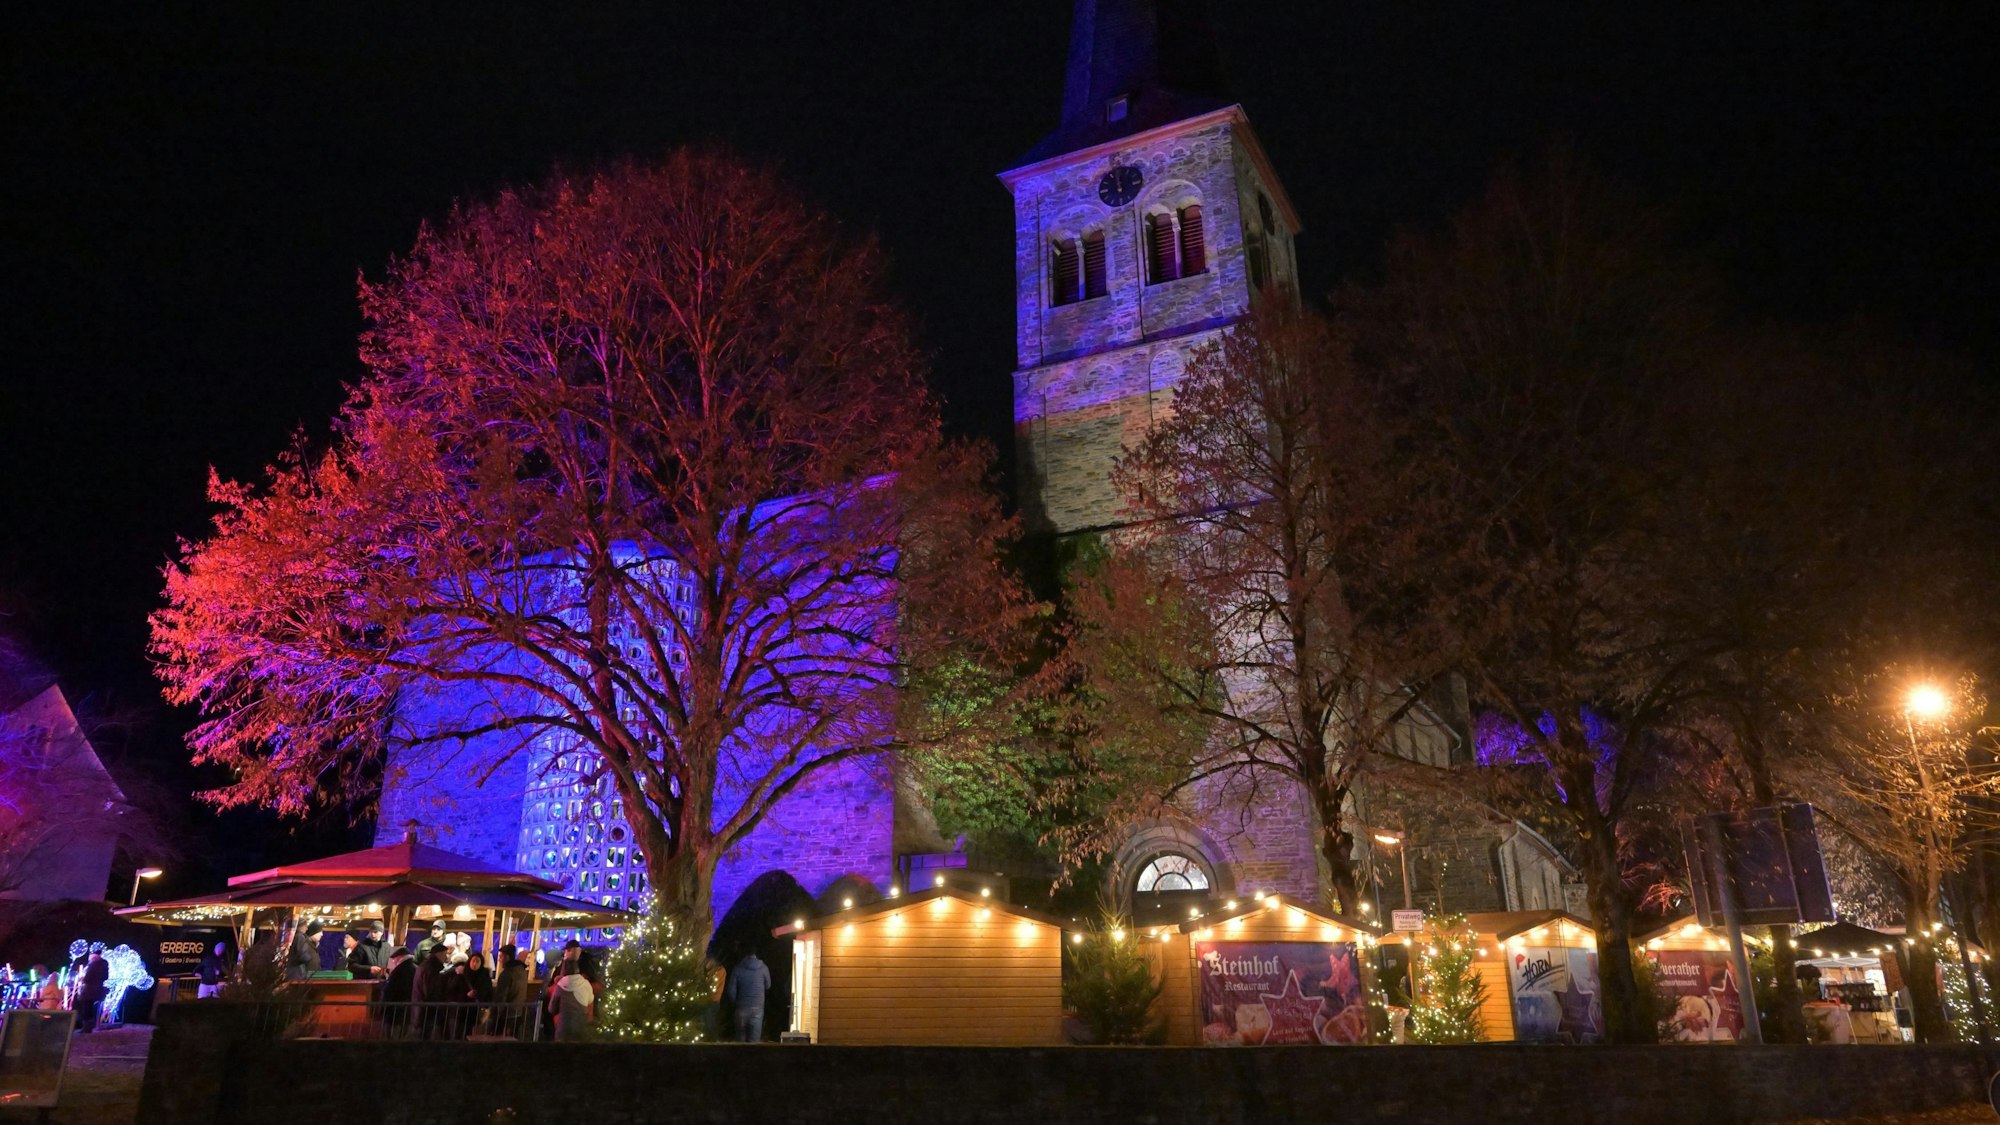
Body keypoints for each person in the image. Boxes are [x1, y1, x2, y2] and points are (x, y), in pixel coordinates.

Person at [723, 950, 771, 1043]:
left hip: (741, 1008)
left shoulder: (738, 969)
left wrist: (736, 1003)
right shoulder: (764, 968)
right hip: (758, 1008)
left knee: (740, 1040)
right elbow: (768, 985)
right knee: (754, 1041)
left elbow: (731, 991)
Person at [491, 944, 531, 1038]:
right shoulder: (521, 971)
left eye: (501, 956)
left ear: (507, 957)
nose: (499, 959)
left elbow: (502, 995)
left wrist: (497, 1013)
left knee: (500, 1038)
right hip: (518, 1011)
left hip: (507, 1013)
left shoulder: (507, 973)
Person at [378, 947, 416, 1037]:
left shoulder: (399, 970)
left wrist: (383, 1007)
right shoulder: (414, 968)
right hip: (407, 1008)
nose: (394, 962)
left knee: (394, 1035)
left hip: (396, 1009)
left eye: (394, 959)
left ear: (400, 957)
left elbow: (390, 990)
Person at [550, 967, 594, 1041]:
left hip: (563, 1027)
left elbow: (552, 1009)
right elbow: (590, 1010)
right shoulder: (586, 984)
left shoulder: (560, 985)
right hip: (581, 1027)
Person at [74, 950, 109, 1033]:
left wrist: (82, 979)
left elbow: (87, 978)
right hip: (98, 989)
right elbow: (106, 977)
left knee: (85, 1007)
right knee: (91, 1007)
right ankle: (91, 1026)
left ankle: (86, 1027)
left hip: (89, 990)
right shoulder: (104, 965)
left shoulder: (93, 965)